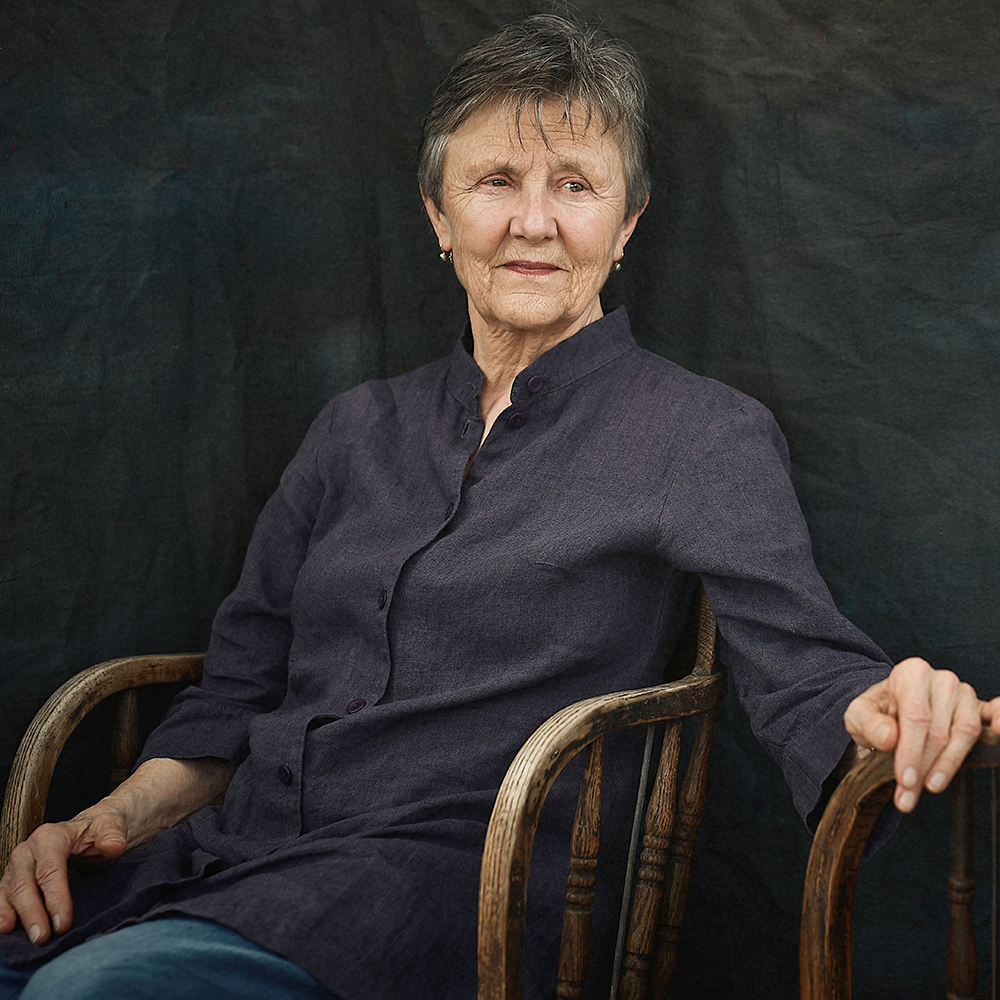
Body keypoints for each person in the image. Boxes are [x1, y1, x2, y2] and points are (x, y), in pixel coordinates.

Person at [1, 15, 997, 1000]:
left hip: (457, 895)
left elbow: (807, 674)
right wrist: (118, 816)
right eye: (495, 181)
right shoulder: (352, 430)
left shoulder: (700, 433)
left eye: (575, 185)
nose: (533, 222)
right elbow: (235, 691)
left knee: (89, 993)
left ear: (628, 223)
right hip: (224, 857)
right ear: (438, 216)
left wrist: (885, 706)